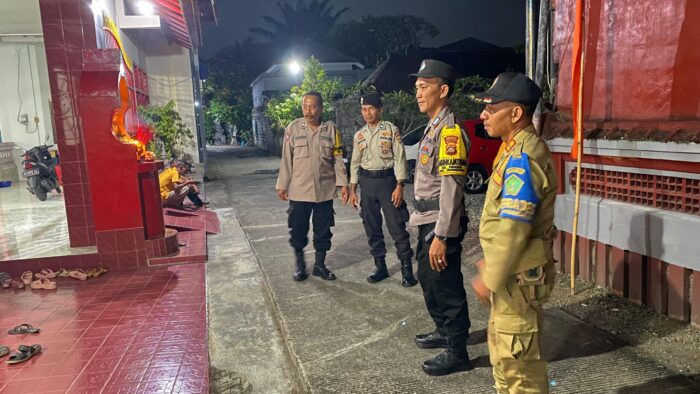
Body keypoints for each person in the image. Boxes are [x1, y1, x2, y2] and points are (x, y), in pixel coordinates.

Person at [469, 72, 557, 393]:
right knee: (504, 365)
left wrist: (489, 275)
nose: (483, 115)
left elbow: (515, 227)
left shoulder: (524, 157)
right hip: (509, 277)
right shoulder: (511, 149)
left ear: (516, 113)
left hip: (516, 282)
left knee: (521, 373)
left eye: (491, 108)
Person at [409, 59, 473, 376]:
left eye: (424, 87)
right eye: (417, 87)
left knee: (446, 287)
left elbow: (451, 189)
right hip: (425, 220)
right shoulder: (432, 127)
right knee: (429, 281)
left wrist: (442, 236)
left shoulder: (449, 133)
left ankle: (457, 351)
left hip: (439, 224)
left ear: (443, 90)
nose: (418, 93)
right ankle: (444, 331)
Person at [276, 91, 350, 281]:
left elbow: (338, 159)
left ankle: (319, 265)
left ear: (321, 108)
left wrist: (343, 185)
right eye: (305, 106)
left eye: (312, 106)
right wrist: (282, 185)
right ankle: (300, 264)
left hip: (324, 190)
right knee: (298, 229)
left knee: (323, 230)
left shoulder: (331, 129)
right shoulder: (293, 129)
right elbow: (286, 159)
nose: (308, 111)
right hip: (299, 190)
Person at [348, 93, 417, 287]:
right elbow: (354, 163)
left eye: (370, 108)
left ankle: (407, 271)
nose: (367, 112)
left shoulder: (390, 130)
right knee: (372, 227)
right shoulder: (359, 135)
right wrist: (353, 190)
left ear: (380, 110)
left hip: (387, 182)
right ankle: (380, 267)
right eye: (363, 109)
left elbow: (400, 158)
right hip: (367, 183)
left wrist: (399, 186)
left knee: (397, 226)